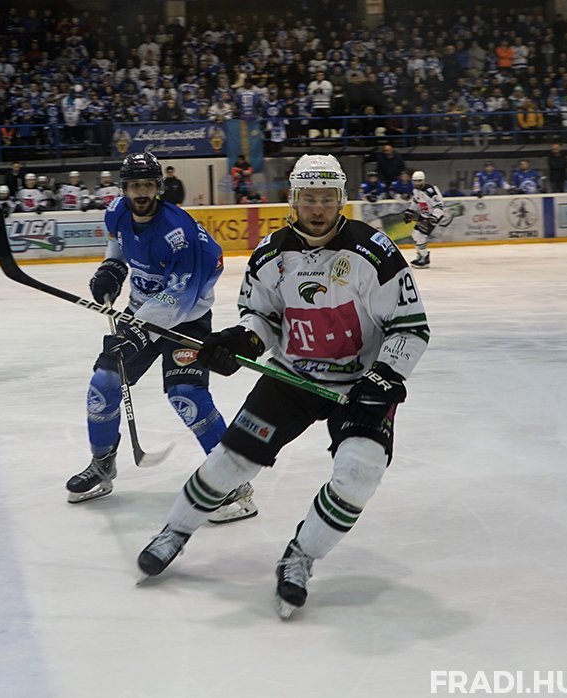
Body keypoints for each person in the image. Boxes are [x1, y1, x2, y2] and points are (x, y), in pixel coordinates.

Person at [135, 154, 430, 620]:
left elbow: (410, 327)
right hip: (292, 376)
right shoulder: (270, 255)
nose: (318, 208)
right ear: (293, 199)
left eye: (327, 199)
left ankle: (301, 557)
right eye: (309, 198)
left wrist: (385, 376)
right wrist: (243, 341)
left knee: (359, 473)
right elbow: (263, 318)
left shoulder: (374, 252)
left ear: (341, 200)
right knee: (231, 460)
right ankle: (175, 530)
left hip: (360, 387)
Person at [67, 152, 257, 523]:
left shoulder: (178, 233)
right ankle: (102, 465)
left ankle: (233, 483)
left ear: (159, 187)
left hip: (187, 319)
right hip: (142, 311)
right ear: (124, 189)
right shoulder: (116, 212)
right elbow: (118, 244)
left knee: (187, 396)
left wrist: (138, 331)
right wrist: (111, 269)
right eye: (134, 185)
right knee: (104, 384)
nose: (141, 192)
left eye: (148, 185)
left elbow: (178, 298)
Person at [402, 171, 447, 269]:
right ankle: (421, 255)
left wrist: (434, 217)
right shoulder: (415, 190)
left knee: (420, 236)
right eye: (415, 181)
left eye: (419, 181)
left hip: (433, 216)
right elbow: (415, 201)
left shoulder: (430, 191)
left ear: (423, 180)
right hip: (424, 215)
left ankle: (424, 257)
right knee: (415, 235)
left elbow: (439, 205)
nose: (417, 183)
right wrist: (409, 211)